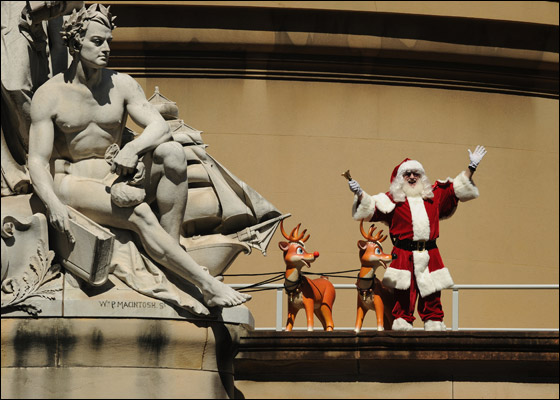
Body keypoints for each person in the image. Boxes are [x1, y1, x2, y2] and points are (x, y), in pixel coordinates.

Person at [27, 4, 251, 309]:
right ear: (76, 43)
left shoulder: (121, 84)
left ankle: (170, 251)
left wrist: (132, 149)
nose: (106, 49)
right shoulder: (49, 95)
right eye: (97, 41)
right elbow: (37, 161)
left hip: (115, 175)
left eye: (109, 41)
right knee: (141, 214)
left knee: (172, 152)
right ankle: (207, 285)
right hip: (72, 181)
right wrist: (54, 205)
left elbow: (160, 127)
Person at [347, 146, 487, 331]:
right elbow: (370, 208)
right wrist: (359, 193)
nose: (412, 177)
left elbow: (456, 190)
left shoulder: (433, 197)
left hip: (430, 252)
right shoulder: (392, 200)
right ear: (400, 178)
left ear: (422, 177)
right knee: (403, 293)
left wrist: (471, 167)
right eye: (407, 174)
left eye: (416, 173)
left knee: (432, 293)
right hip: (403, 253)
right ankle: (402, 323)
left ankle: (434, 322)